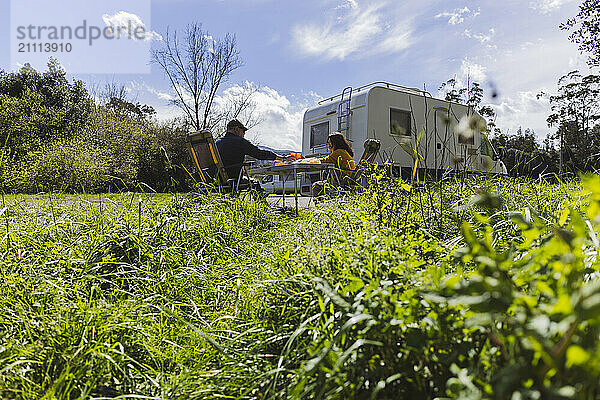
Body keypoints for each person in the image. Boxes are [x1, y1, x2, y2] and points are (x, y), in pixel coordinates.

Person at [215, 119, 294, 181]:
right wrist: (283, 158)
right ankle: (262, 202)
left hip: (216, 178)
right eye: (243, 132)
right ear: (236, 129)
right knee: (255, 184)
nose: (244, 135)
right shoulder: (240, 142)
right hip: (232, 179)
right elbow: (259, 154)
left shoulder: (217, 143)